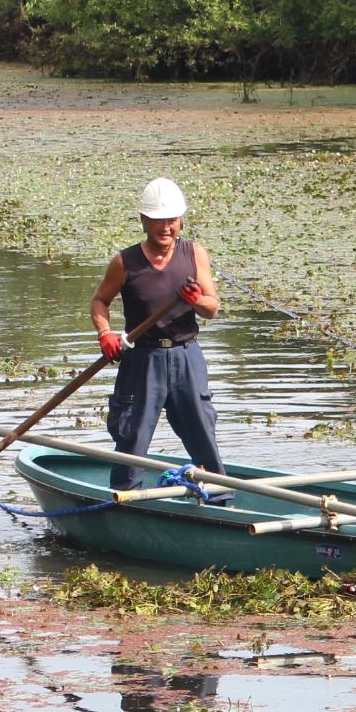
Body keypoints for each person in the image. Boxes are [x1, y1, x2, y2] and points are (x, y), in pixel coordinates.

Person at [88, 177, 226, 495]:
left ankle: (220, 498)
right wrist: (105, 333)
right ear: (144, 220)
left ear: (180, 220)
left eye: (172, 220)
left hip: (186, 356)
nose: (166, 228)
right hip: (142, 359)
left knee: (202, 433)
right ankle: (124, 500)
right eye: (158, 221)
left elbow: (211, 309)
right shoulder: (124, 262)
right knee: (131, 437)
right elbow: (99, 301)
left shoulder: (194, 254)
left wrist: (196, 299)